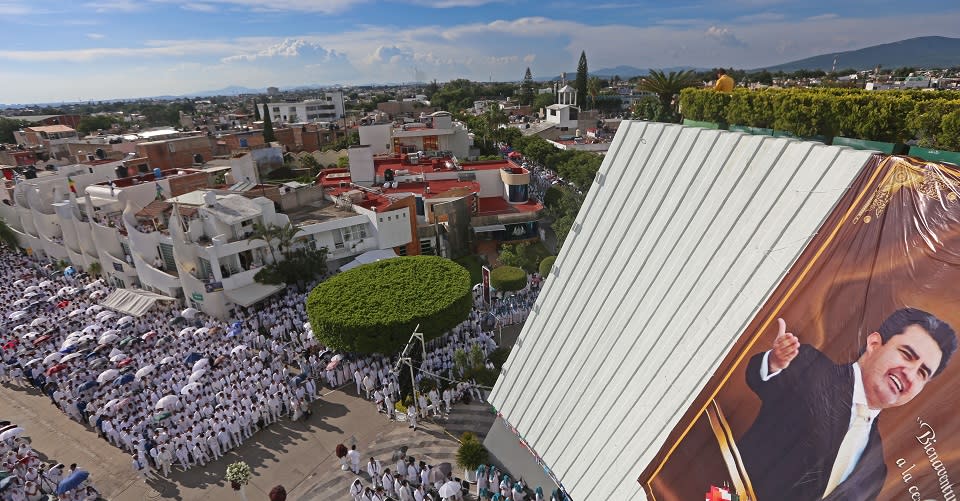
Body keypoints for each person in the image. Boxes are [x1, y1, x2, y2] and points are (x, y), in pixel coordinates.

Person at [739, 308, 957, 501]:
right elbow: (762, 379)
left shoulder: (875, 470)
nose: (910, 375)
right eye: (907, 355)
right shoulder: (811, 368)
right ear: (874, 344)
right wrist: (775, 362)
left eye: (922, 373)